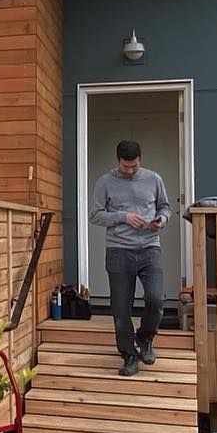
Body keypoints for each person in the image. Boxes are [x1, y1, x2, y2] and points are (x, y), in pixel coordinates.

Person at [88, 140, 173, 376]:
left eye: (134, 167)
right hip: (118, 251)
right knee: (121, 309)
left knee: (156, 300)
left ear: (140, 160)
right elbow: (95, 216)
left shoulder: (154, 179)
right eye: (126, 167)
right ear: (118, 161)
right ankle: (129, 355)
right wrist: (123, 217)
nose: (130, 171)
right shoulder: (105, 182)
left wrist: (161, 220)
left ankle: (145, 339)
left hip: (149, 248)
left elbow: (165, 207)